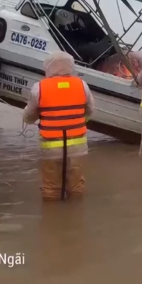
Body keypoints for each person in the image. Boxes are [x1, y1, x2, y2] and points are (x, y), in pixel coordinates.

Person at [23, 52, 94, 201]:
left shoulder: (39, 87)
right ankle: (76, 212)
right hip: (77, 146)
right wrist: (77, 121)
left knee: (50, 187)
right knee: (76, 186)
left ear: (48, 66)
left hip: (50, 147)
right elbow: (89, 110)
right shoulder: (82, 85)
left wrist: (33, 118)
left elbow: (29, 116)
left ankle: (52, 213)